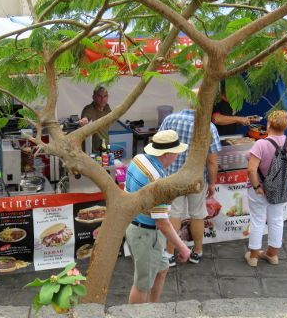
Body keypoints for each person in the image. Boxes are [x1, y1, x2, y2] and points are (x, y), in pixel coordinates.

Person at [125, 129, 191, 304]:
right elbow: (163, 223)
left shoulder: (138, 159)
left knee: (162, 269)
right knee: (142, 285)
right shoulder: (159, 181)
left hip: (134, 228)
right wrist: (182, 248)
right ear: (167, 154)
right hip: (147, 235)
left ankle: (153, 309)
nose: (178, 156)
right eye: (177, 153)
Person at [159, 104, 221, 265]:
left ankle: (169, 254)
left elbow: (158, 148)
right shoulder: (208, 126)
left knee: (174, 214)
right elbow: (212, 161)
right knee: (198, 214)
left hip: (173, 175)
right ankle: (197, 252)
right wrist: (212, 183)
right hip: (197, 178)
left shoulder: (170, 119)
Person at [245, 110, 287, 266]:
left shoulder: (261, 144)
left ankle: (253, 257)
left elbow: (251, 169)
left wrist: (257, 186)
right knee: (277, 220)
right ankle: (272, 255)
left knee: (258, 220)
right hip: (281, 189)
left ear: (269, 124)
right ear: (285, 126)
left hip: (259, 190)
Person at [79, 85, 111, 153]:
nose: (102, 99)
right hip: (93, 152)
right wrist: (85, 119)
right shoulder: (89, 108)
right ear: (93, 97)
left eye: (105, 96)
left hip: (105, 147)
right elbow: (87, 115)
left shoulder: (107, 108)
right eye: (99, 96)